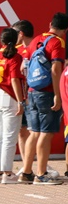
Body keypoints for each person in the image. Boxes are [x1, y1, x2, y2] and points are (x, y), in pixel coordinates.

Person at [19, 12, 66, 184]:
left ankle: (26, 172)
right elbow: (55, 70)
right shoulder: (57, 42)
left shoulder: (35, 40)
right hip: (47, 93)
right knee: (46, 133)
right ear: (65, 30)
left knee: (34, 132)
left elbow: (23, 68)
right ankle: (41, 174)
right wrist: (57, 95)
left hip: (32, 91)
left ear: (50, 24)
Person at [0, 28, 26, 183]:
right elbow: (15, 80)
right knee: (9, 136)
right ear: (15, 40)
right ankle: (7, 173)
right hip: (10, 96)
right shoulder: (15, 57)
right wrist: (20, 101)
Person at [11, 19, 35, 160]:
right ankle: (27, 165)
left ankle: (40, 165)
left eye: (15, 34)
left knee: (36, 132)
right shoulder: (16, 51)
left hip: (35, 95)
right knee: (22, 132)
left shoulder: (38, 47)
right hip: (21, 97)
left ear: (21, 34)